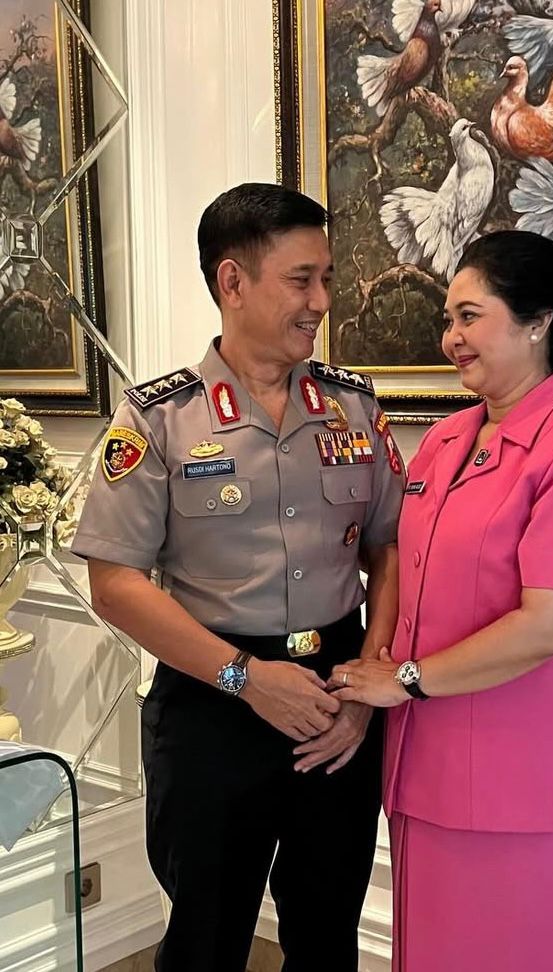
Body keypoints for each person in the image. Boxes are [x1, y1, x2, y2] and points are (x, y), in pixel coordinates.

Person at [71, 183, 404, 972]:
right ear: (233, 282)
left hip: (336, 700)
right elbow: (115, 583)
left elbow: (389, 549)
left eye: (327, 278)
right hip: (212, 703)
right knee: (207, 941)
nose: (322, 301)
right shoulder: (158, 418)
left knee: (327, 935)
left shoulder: (353, 408)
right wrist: (247, 678)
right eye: (302, 280)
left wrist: (367, 683)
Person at [329, 230, 553, 972]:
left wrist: (405, 680)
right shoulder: (444, 441)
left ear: (538, 323)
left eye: (470, 316)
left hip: (518, 775)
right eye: (449, 319)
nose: (451, 338)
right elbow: (403, 566)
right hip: (424, 762)